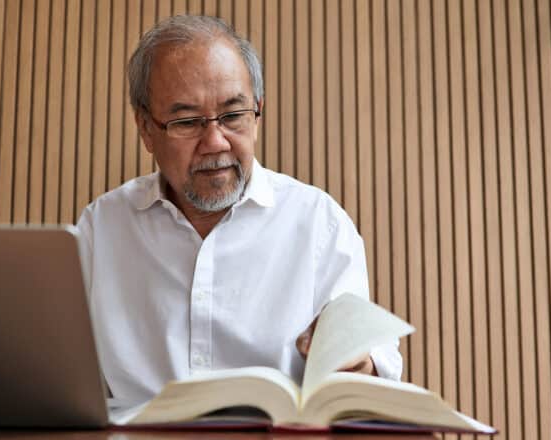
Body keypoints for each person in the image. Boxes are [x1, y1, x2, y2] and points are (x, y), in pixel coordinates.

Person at [75, 15, 402, 403]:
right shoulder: (102, 228)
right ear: (146, 128)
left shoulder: (319, 224)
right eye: (186, 121)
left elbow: (374, 371)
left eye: (233, 116)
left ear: (257, 112)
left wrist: (358, 365)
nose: (215, 142)